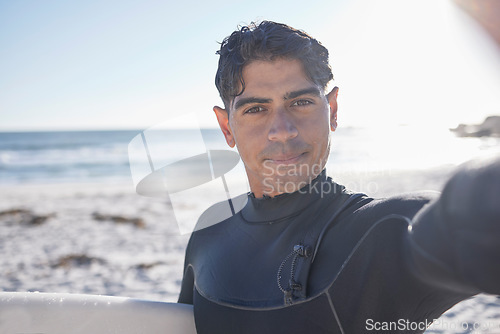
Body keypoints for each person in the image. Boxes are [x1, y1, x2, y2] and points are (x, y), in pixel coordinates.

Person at [178, 21, 500, 333]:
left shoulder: (383, 231)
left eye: (301, 102)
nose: (282, 131)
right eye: (256, 110)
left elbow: (468, 223)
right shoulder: (210, 231)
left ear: (332, 110)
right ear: (226, 127)